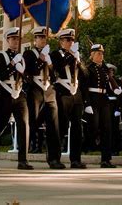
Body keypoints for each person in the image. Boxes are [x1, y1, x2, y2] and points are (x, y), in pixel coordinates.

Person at [23, 26, 64, 169]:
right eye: (40, 38)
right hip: (35, 90)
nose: (42, 40)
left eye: (44, 38)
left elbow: (55, 75)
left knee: (54, 126)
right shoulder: (29, 54)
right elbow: (31, 70)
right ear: (35, 40)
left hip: (49, 90)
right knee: (32, 124)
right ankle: (24, 158)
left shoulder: (50, 54)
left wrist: (50, 63)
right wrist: (41, 59)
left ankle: (54, 159)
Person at [0, 27, 32, 170]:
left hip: (19, 93)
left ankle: (23, 160)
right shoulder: (1, 56)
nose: (15, 41)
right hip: (5, 93)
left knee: (24, 126)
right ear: (7, 40)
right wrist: (12, 65)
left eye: (17, 39)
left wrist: (22, 71)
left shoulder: (21, 58)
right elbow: (2, 75)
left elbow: (28, 78)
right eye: (13, 38)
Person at [50, 28, 86, 169]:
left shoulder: (75, 55)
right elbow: (57, 67)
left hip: (75, 93)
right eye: (67, 40)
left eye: (72, 40)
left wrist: (78, 60)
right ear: (61, 42)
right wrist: (72, 56)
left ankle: (75, 159)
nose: (70, 42)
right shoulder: (56, 54)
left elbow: (84, 74)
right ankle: (54, 158)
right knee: (61, 127)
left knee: (77, 128)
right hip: (62, 92)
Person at [84, 44, 120, 168]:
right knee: (93, 127)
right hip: (93, 99)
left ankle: (106, 159)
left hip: (104, 99)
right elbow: (85, 88)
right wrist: (87, 103)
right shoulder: (88, 69)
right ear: (92, 55)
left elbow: (108, 83)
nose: (101, 56)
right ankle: (86, 145)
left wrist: (114, 90)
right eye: (98, 53)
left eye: (102, 53)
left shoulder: (104, 69)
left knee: (107, 130)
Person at [107, 63, 122, 155]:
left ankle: (116, 149)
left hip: (114, 105)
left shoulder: (117, 81)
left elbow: (120, 96)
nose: (110, 72)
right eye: (109, 71)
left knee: (115, 129)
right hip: (107, 105)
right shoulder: (104, 81)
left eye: (111, 71)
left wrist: (118, 108)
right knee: (107, 128)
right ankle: (108, 148)